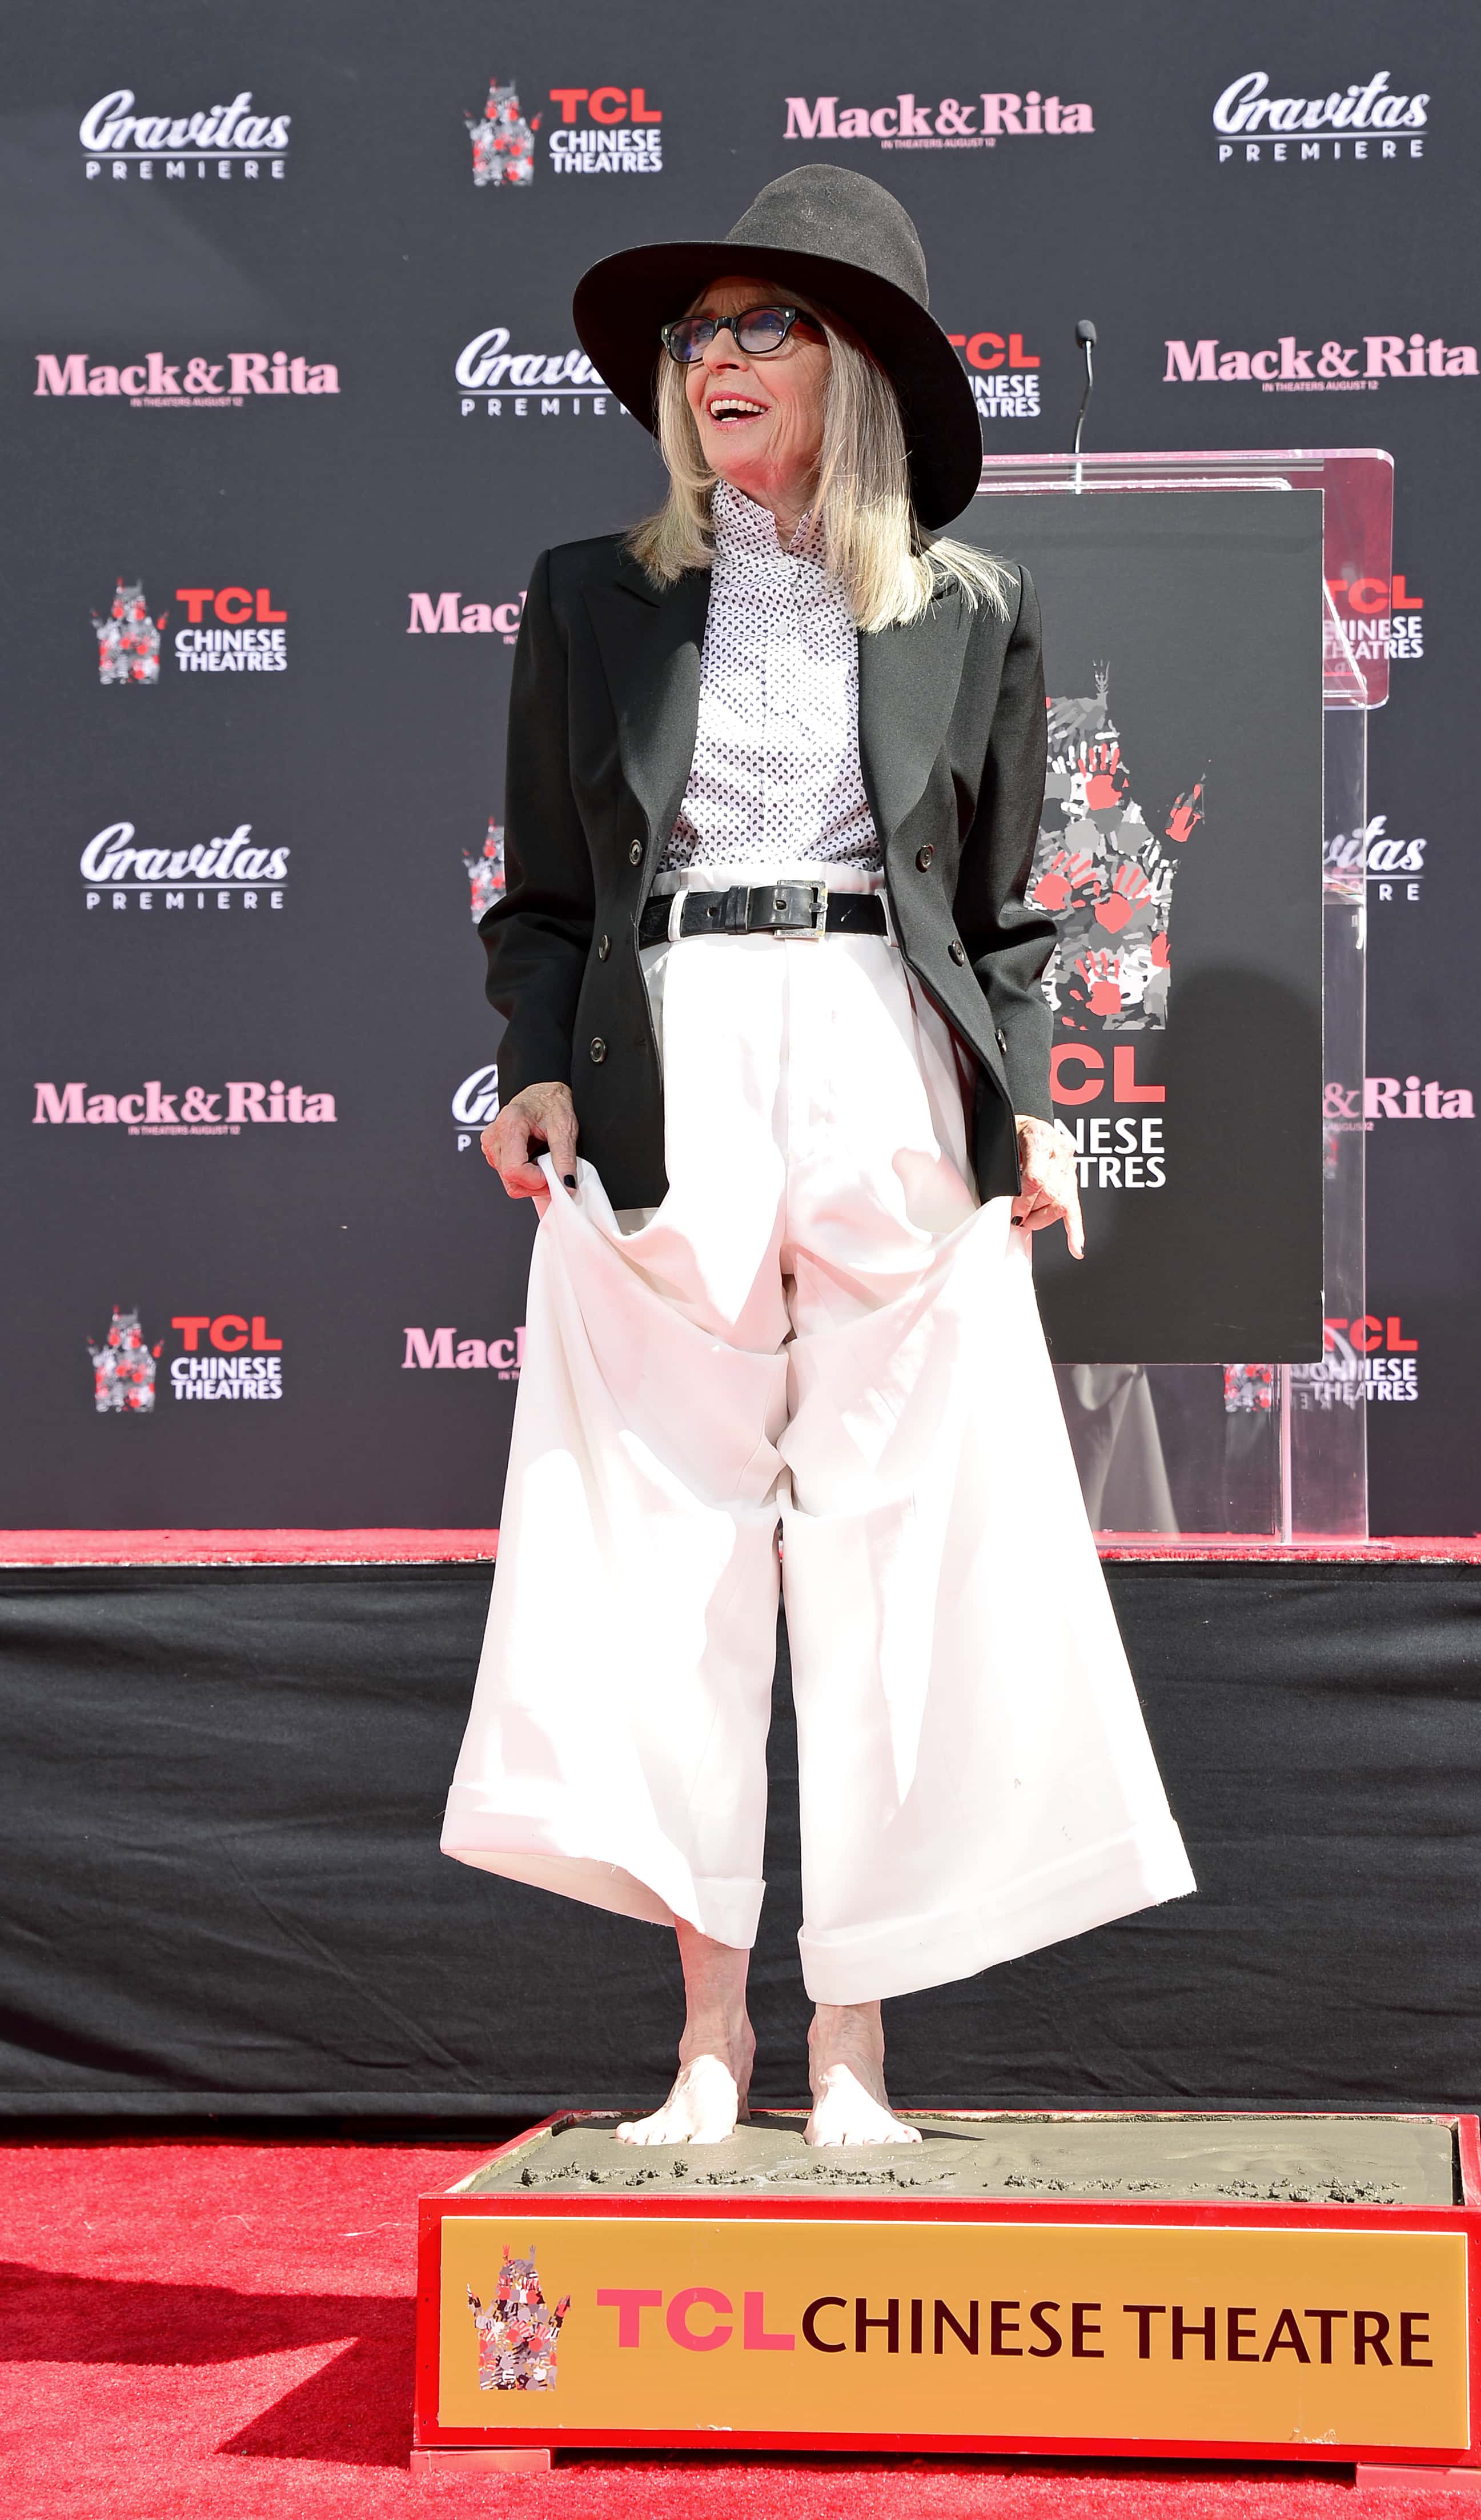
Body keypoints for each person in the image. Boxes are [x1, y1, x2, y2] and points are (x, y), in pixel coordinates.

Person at [442, 165, 1194, 2149]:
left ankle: (854, 2038)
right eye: (693, 338)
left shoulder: (974, 608)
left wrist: (1024, 1097)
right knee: (667, 1551)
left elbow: (1005, 915)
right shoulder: (587, 592)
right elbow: (538, 894)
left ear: (853, 365)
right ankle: (714, 2038)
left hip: (882, 1053)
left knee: (896, 1555)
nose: (713, 364)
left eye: (759, 327)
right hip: (672, 1060)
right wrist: (533, 1067)